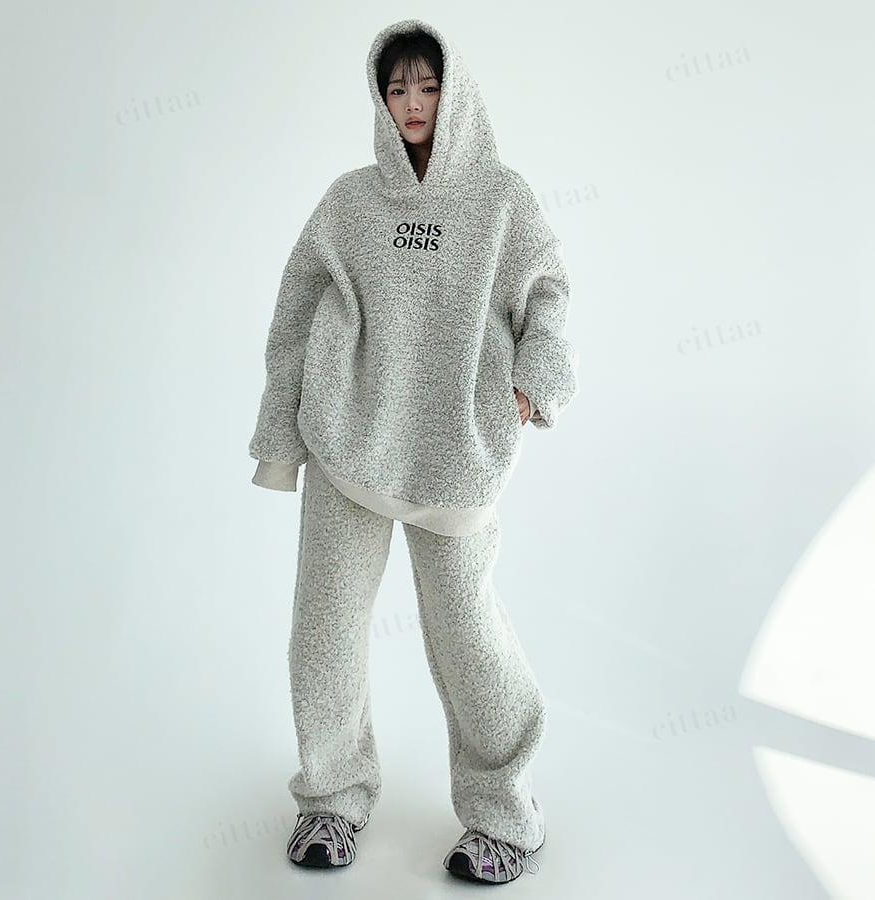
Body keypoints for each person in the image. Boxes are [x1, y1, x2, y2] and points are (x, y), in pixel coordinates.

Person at [248, 18, 579, 885]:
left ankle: (505, 813)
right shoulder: (350, 203)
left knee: (468, 634)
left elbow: (548, 294)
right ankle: (331, 800)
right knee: (324, 628)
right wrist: (280, 441)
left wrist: (533, 384)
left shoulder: (502, 199)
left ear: (454, 90)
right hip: (347, 441)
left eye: (427, 86)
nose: (412, 103)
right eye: (396, 89)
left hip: (455, 451)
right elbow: (294, 315)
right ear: (380, 99)